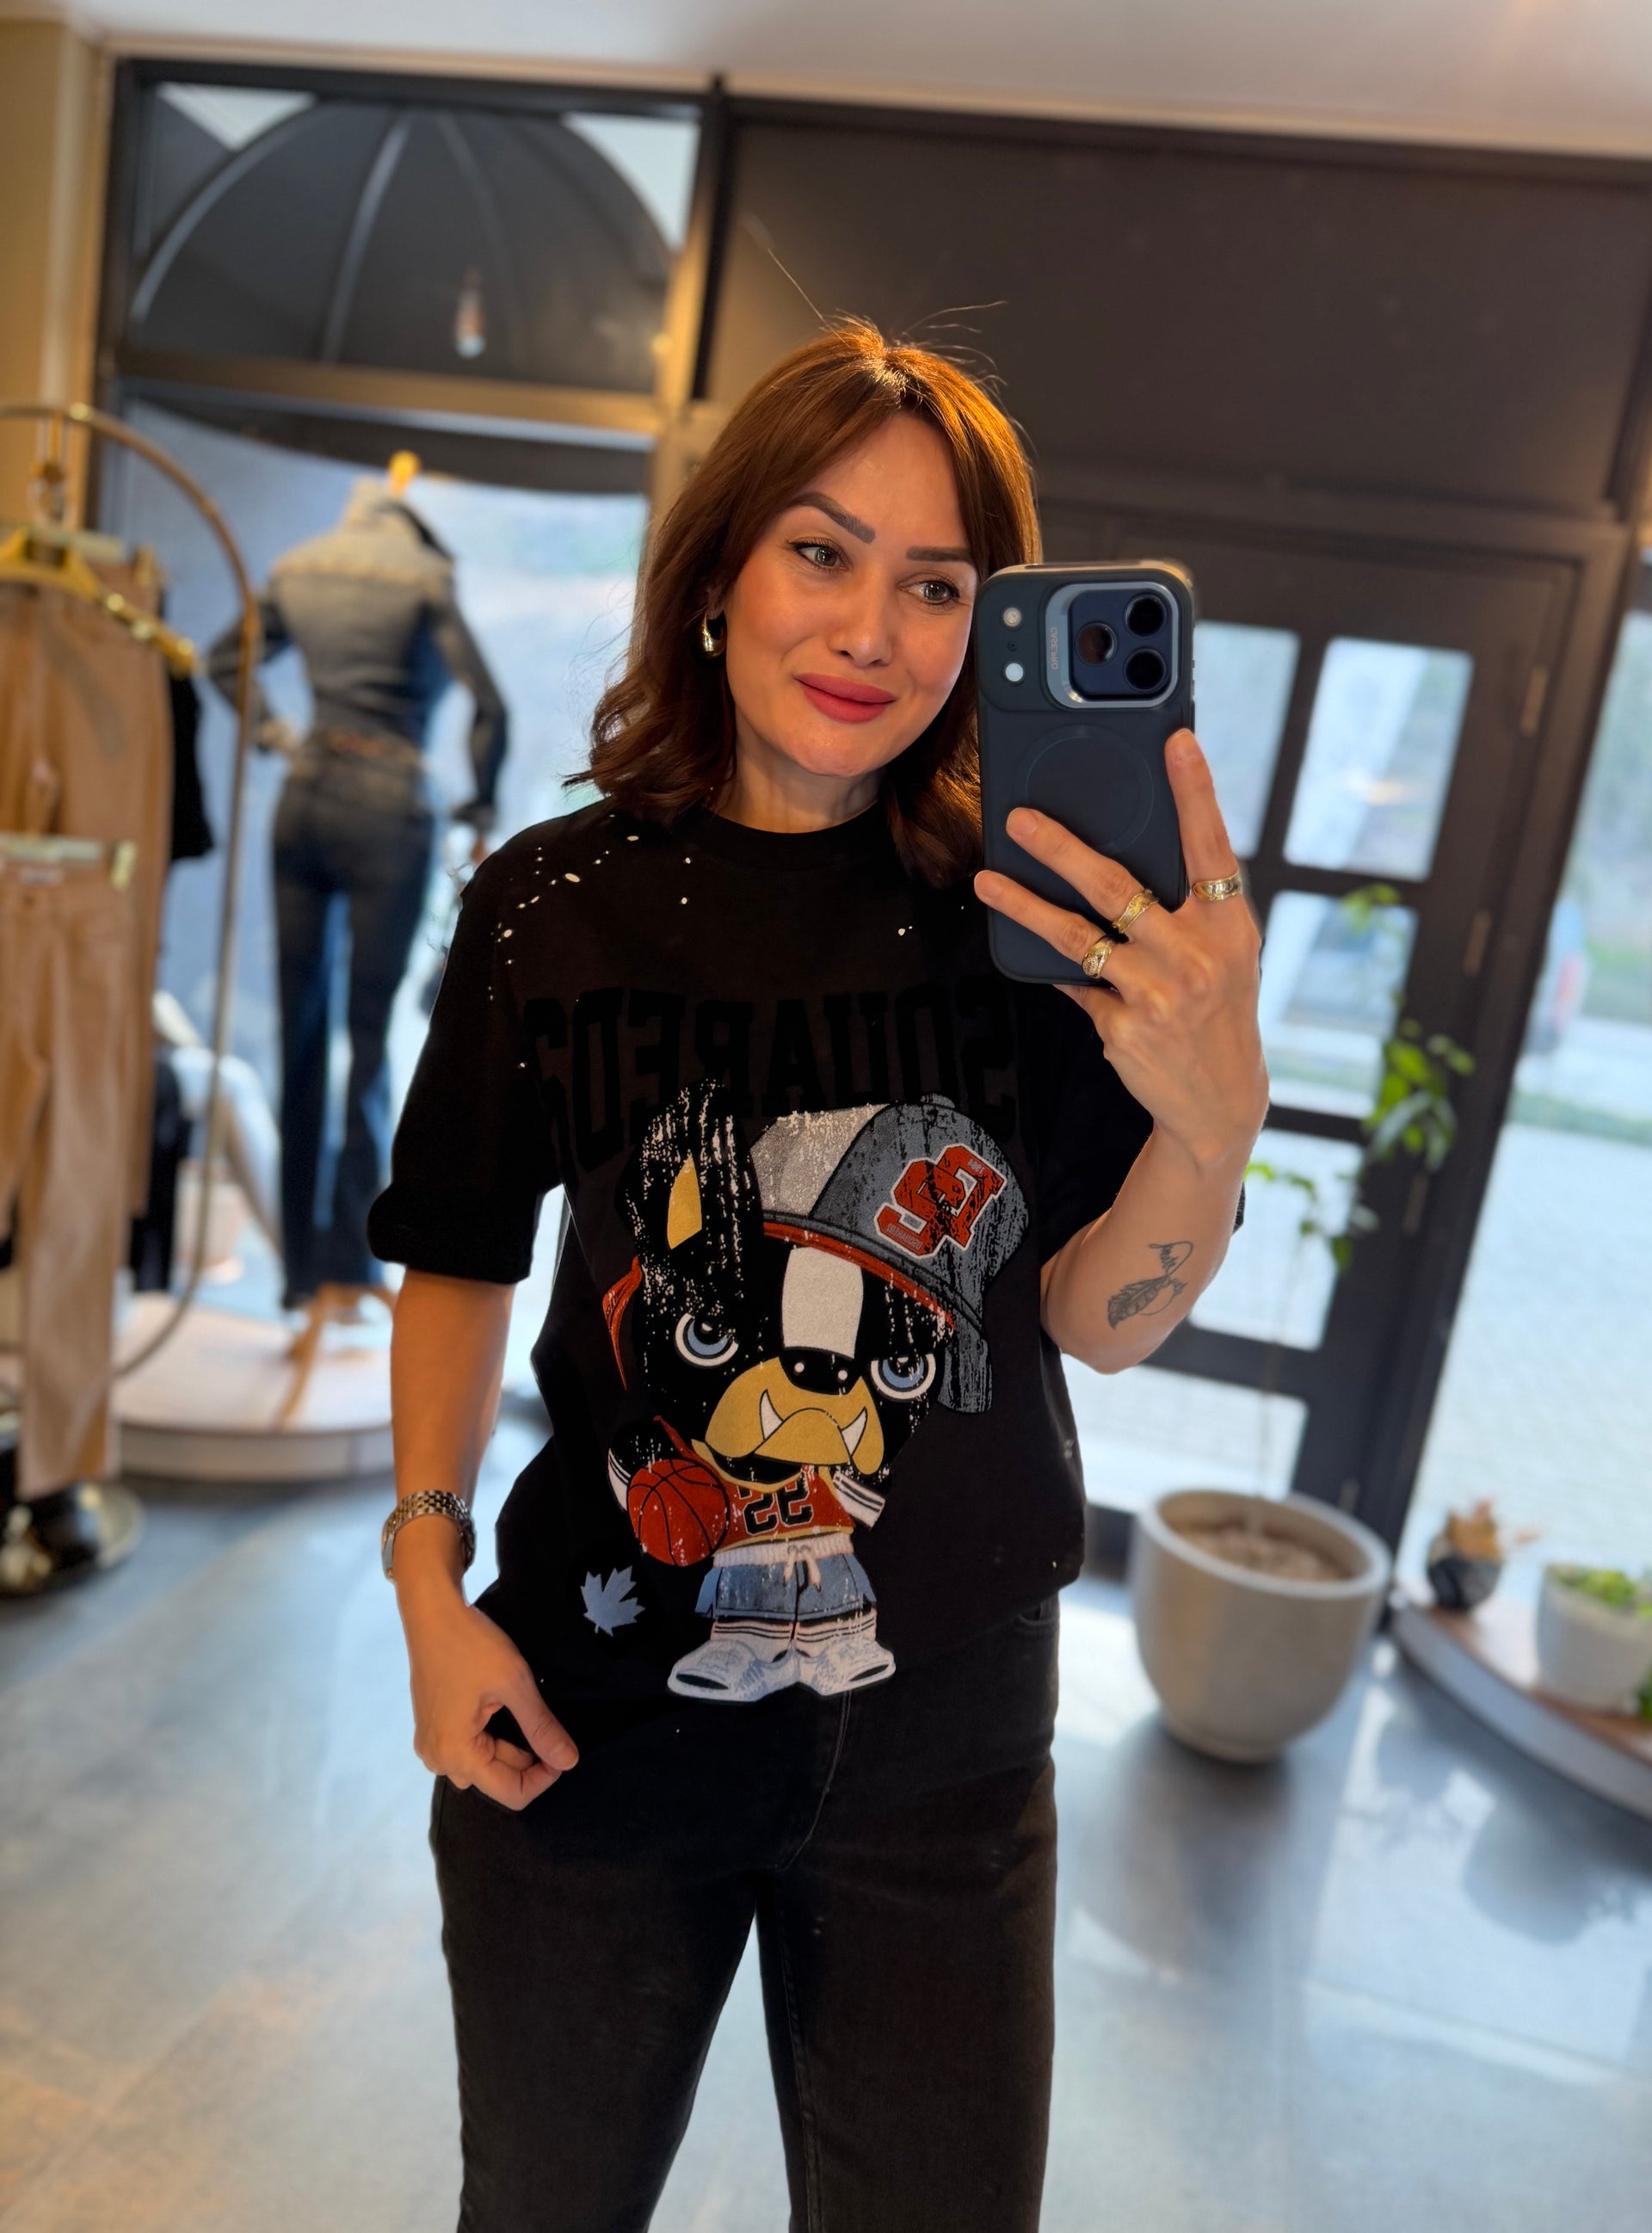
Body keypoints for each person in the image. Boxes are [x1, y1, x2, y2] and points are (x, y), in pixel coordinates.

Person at [370, 321, 1266, 2233]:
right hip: (597, 1702)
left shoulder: (1032, 929)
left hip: (945, 1743)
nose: (872, 629)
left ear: (984, 628)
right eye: (820, 551)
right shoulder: (549, 906)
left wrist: (1212, 1124)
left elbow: (1093, 1323)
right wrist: (427, 1583)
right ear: (717, 575)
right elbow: (454, 1246)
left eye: (936, 583)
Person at [210, 478, 508, 1307]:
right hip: (389, 802)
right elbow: (490, 706)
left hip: (304, 794)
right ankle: (352, 1258)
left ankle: (301, 1273)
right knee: (371, 1041)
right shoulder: (425, 575)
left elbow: (221, 660)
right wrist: (480, 805)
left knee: (301, 1031)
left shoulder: (299, 564)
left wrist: (276, 734)